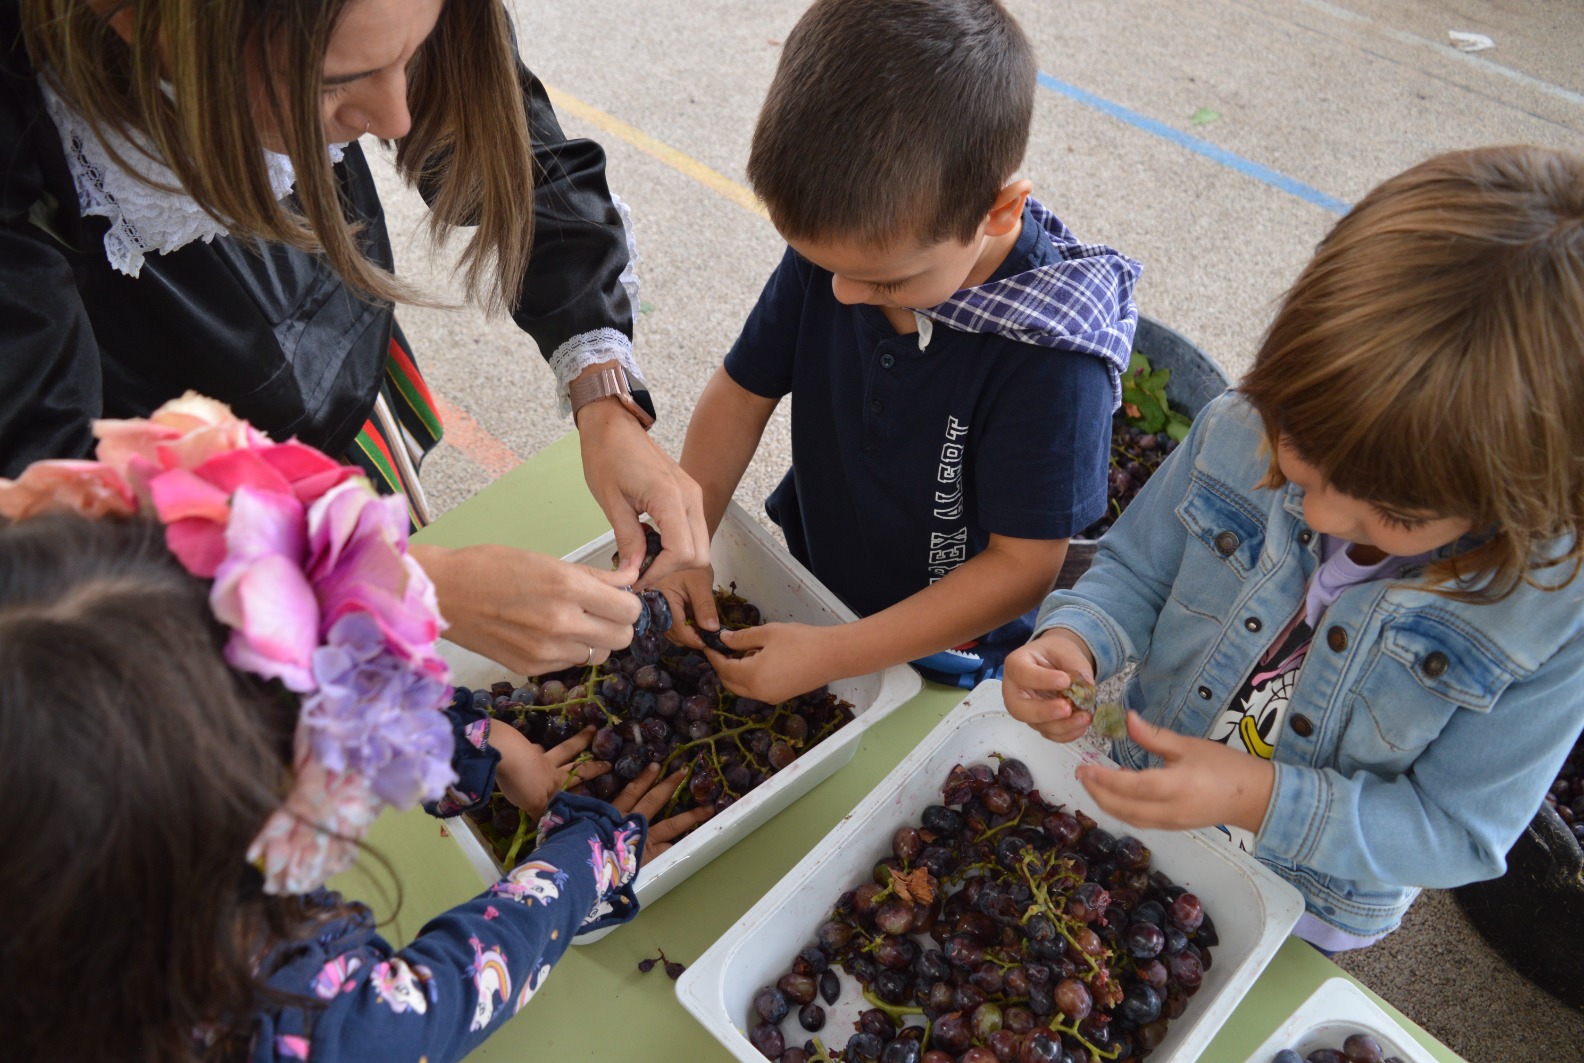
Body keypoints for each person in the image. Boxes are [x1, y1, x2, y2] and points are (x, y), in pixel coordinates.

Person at [0, 0, 706, 677]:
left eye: (414, 51)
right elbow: (42, 503)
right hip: (165, 525)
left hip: (328, 360)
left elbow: (500, 132)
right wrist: (402, 581)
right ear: (150, 24)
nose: (396, 118)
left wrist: (601, 383)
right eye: (338, 84)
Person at [0, 404, 708, 1061]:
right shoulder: (297, 1024)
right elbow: (456, 988)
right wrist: (594, 854)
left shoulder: (46, 828)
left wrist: (477, 744)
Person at [1002, 145, 1584, 952]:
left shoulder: (1551, 611)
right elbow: (1134, 567)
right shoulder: (1240, 426)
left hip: (1312, 902)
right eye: (1298, 451)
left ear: (1519, 497)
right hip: (1142, 798)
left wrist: (1260, 796)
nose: (1322, 509)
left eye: (1390, 511)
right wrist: (1076, 638)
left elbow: (1458, 829)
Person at [661, 0, 1139, 701]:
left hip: (953, 648)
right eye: (827, 268)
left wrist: (837, 653)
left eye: (887, 280)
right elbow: (741, 392)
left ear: (1000, 211)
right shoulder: (848, 252)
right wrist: (687, 541)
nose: (848, 295)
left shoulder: (1054, 360)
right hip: (819, 588)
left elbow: (1024, 567)